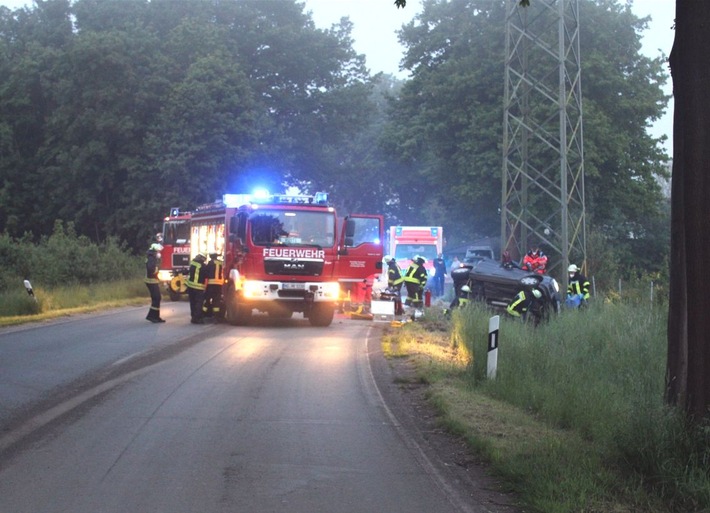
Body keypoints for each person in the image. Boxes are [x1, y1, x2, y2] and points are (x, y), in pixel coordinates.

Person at [145, 242, 165, 323]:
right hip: (151, 281)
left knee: (157, 298)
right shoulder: (151, 258)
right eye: (158, 252)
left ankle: (156, 316)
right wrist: (157, 273)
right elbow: (151, 269)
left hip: (153, 281)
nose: (159, 253)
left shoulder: (152, 257)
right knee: (157, 298)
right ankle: (152, 316)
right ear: (155, 251)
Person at [186, 253, 207, 324]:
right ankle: (197, 318)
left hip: (190, 286)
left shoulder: (192, 263)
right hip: (198, 287)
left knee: (192, 303)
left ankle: (193, 317)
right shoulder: (203, 266)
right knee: (199, 303)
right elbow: (206, 275)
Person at [203, 252, 224, 320]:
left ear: (211, 257)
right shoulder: (221, 263)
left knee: (207, 299)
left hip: (211, 284)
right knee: (216, 300)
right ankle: (216, 316)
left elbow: (206, 273)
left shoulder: (210, 263)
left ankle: (204, 314)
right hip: (219, 285)